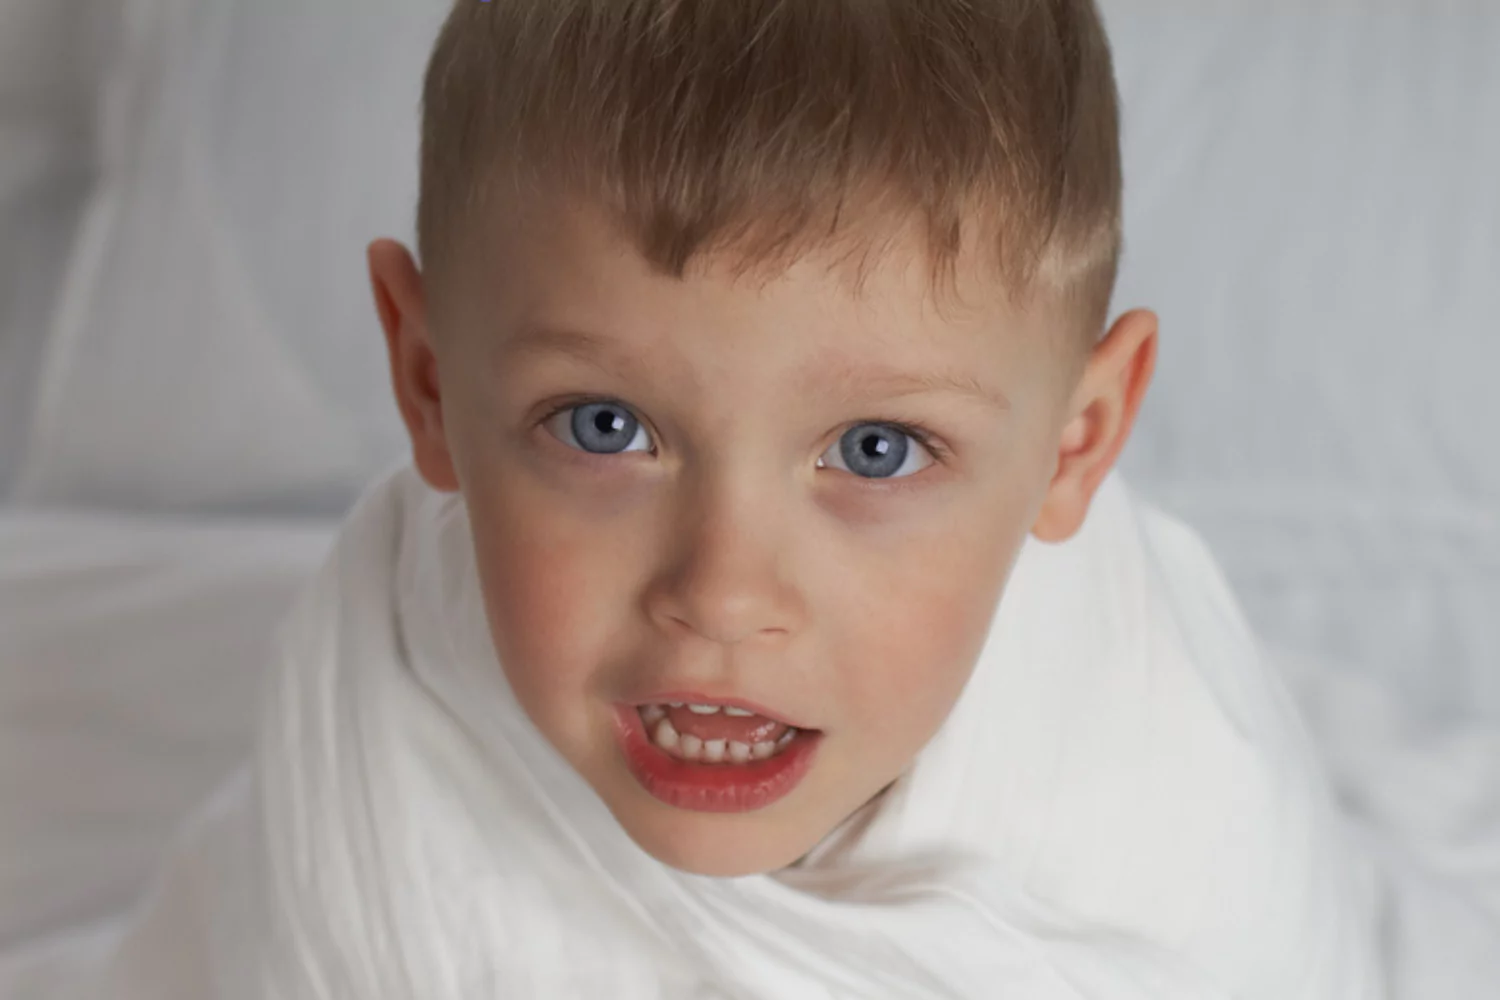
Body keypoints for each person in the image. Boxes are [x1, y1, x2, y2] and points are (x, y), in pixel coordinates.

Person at [27, 2, 1388, 996]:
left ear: (1076, 444)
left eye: (875, 452)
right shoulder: (378, 708)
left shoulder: (1176, 840)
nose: (724, 594)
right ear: (429, 381)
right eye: (606, 428)